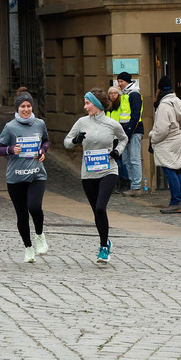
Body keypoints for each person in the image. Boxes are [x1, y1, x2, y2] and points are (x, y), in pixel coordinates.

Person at [64, 88, 127, 263]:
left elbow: (124, 138)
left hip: (108, 170)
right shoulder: (81, 123)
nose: (85, 107)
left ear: (97, 104)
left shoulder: (111, 123)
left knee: (100, 207)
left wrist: (117, 151)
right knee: (96, 212)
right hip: (89, 173)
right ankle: (106, 239)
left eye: (87, 103)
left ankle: (103, 248)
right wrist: (75, 141)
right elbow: (66, 142)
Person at [0, 88, 50, 262]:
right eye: (22, 107)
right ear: (17, 109)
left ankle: (40, 235)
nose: (26, 110)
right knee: (22, 214)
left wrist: (43, 150)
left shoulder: (39, 124)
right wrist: (10, 149)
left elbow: (46, 141)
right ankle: (28, 248)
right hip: (16, 177)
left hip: (36, 174)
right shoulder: (10, 127)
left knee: (34, 207)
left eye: (28, 106)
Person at [150, 75, 181, 214]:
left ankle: (175, 202)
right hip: (176, 139)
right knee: (175, 170)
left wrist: (153, 139)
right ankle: (176, 201)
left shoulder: (164, 105)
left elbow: (161, 129)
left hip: (166, 141)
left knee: (170, 171)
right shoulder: (178, 101)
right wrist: (178, 133)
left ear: (159, 89)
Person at [115, 71, 145, 196]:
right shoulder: (125, 94)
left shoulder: (134, 94)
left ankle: (136, 186)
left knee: (134, 158)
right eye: (118, 81)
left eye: (121, 81)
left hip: (134, 131)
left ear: (127, 81)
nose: (119, 84)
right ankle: (133, 184)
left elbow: (135, 116)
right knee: (127, 159)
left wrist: (128, 132)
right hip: (126, 131)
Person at [105, 85, 130, 194]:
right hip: (110, 137)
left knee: (121, 161)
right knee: (114, 161)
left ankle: (125, 181)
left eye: (115, 93)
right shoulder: (107, 107)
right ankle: (118, 181)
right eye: (111, 93)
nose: (113, 95)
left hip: (118, 136)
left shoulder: (121, 105)